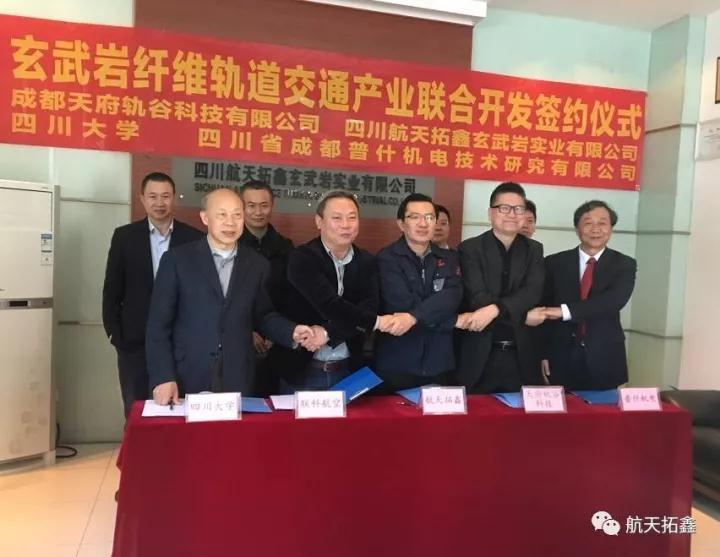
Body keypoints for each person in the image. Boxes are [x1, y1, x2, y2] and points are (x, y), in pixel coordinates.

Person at [146, 188, 315, 405]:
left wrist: (292, 331)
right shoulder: (177, 260)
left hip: (238, 374)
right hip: (187, 373)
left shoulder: (257, 265)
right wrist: (162, 376)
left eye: (237, 215)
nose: (230, 222)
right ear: (205, 218)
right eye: (222, 215)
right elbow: (158, 326)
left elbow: (262, 315)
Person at [102, 171, 203, 417]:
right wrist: (115, 334)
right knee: (135, 408)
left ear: (174, 198)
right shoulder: (124, 237)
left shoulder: (194, 239)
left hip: (180, 342)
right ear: (142, 199)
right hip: (133, 341)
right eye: (153, 196)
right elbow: (112, 289)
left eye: (165, 196)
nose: (160, 202)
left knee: (176, 410)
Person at [269, 191, 383, 392]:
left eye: (352, 217)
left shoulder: (367, 261)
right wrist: (375, 321)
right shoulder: (302, 257)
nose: (346, 225)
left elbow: (368, 309)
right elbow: (329, 304)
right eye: (337, 218)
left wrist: (328, 332)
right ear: (319, 222)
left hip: (348, 370)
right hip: (301, 370)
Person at [455, 182, 545, 393]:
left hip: (521, 356)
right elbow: (478, 298)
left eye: (518, 209)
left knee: (518, 414)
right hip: (479, 355)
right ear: (490, 213)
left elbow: (532, 293)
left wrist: (494, 309)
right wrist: (522, 316)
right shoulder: (470, 248)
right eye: (504, 208)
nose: (512, 214)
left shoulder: (534, 249)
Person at [541, 200, 636, 390]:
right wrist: (542, 354)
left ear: (611, 228)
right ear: (577, 228)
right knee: (562, 408)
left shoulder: (624, 264)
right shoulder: (554, 263)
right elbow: (543, 308)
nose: (595, 229)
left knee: (605, 408)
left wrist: (563, 311)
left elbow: (612, 302)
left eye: (602, 223)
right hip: (561, 356)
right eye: (588, 223)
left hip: (606, 356)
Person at [375, 194, 462, 392]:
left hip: (439, 362)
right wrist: (452, 321)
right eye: (415, 217)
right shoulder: (387, 258)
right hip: (398, 362)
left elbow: (452, 297)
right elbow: (400, 303)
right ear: (401, 224)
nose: (423, 223)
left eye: (429, 217)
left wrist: (412, 317)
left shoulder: (449, 258)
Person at [238, 179, 294, 395]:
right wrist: (248, 331)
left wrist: (276, 332)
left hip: (278, 342)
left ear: (272, 206)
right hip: (238, 339)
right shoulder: (231, 246)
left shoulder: (286, 247)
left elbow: (292, 294)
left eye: (264, 205)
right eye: (251, 205)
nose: (258, 212)